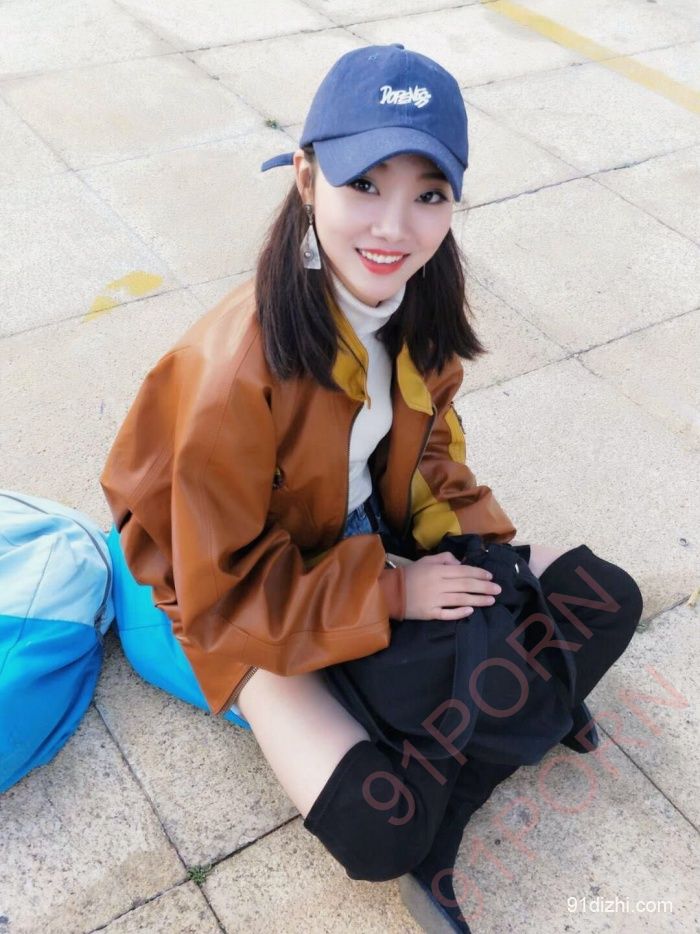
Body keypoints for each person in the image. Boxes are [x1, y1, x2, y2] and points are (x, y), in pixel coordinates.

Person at [100, 43, 644, 932]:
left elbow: (430, 454)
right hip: (233, 589)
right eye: (364, 185)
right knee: (382, 832)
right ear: (306, 178)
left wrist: (474, 557)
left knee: (604, 597)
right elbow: (220, 585)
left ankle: (478, 745)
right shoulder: (230, 375)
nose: (394, 228)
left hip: (359, 534)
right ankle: (499, 734)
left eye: (428, 195)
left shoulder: (415, 305)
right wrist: (393, 593)